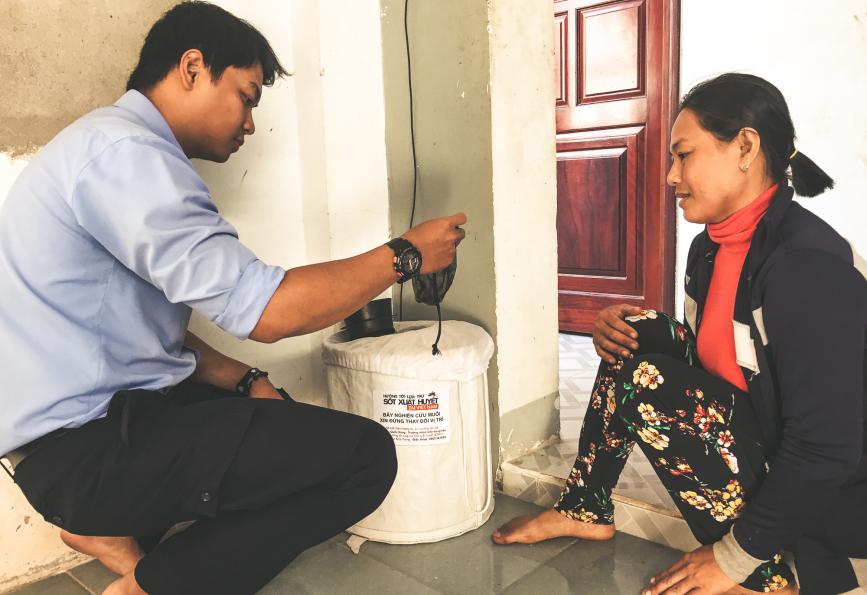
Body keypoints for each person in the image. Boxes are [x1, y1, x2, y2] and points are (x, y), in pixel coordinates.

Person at [0, 3, 465, 594]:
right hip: (85, 448)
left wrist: (247, 381)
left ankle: (112, 530)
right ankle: (150, 584)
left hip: (73, 435)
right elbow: (266, 311)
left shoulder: (104, 146)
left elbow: (140, 330)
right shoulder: (128, 158)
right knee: (364, 459)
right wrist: (405, 256)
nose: (249, 124)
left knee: (275, 417)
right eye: (246, 97)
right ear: (192, 67)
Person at [493, 73, 866, 594]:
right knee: (636, 336)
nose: (671, 175)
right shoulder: (711, 248)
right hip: (765, 435)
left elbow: (828, 449)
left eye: (683, 155)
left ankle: (768, 575)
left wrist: (733, 559)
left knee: (648, 383)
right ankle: (586, 506)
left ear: (745, 147)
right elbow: (727, 358)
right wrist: (627, 329)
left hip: (836, 499)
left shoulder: (806, 268)